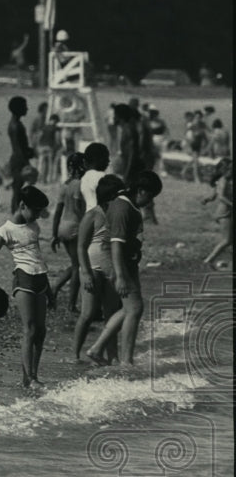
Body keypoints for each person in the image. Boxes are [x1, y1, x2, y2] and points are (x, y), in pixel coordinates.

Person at [85, 171, 163, 367]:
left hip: (127, 261)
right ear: (141, 190)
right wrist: (119, 276)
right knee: (134, 308)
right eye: (150, 197)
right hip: (114, 260)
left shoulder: (130, 205)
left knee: (132, 308)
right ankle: (124, 361)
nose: (150, 202)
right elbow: (115, 244)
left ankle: (98, 350)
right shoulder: (122, 207)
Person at [0, 186, 54, 389]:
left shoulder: (34, 226)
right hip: (24, 279)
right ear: (22, 205)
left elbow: (38, 257)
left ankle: (30, 376)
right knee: (29, 329)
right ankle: (30, 377)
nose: (37, 215)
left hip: (40, 278)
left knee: (41, 331)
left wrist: (50, 290)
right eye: (35, 211)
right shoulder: (6, 230)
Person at [73, 175, 125, 363]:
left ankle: (111, 356)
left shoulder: (118, 215)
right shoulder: (93, 214)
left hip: (110, 269)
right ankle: (75, 354)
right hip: (91, 268)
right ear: (109, 198)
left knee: (111, 314)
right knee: (87, 314)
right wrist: (85, 272)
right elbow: (81, 246)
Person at [49, 153, 87, 313]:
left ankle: (55, 287)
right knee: (78, 266)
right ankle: (71, 304)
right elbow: (79, 207)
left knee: (75, 264)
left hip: (63, 227)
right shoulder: (79, 184)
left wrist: (54, 234)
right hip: (75, 227)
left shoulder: (64, 185)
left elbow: (57, 211)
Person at [202, 158, 233, 269]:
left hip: (229, 212)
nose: (231, 171)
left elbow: (213, 195)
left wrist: (207, 199)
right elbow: (221, 197)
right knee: (227, 240)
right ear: (223, 170)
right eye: (229, 169)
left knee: (230, 240)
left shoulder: (229, 180)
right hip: (224, 213)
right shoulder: (223, 180)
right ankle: (208, 260)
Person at [7, 96, 33, 214]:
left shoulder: (15, 124)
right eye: (24, 106)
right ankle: (15, 215)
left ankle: (16, 214)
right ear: (19, 109)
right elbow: (18, 148)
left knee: (18, 190)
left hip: (18, 160)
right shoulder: (16, 126)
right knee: (18, 191)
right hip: (19, 161)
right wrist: (27, 163)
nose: (27, 109)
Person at [80, 142, 111, 212]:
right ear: (100, 160)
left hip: (89, 215)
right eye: (106, 158)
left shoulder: (84, 178)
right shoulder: (102, 177)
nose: (109, 161)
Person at [37, 114, 60, 185]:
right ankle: (48, 179)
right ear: (55, 121)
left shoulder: (44, 127)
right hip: (50, 147)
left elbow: (39, 136)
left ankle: (38, 178)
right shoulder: (55, 128)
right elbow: (57, 139)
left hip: (42, 146)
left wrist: (38, 145)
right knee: (50, 164)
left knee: (41, 164)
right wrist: (58, 146)